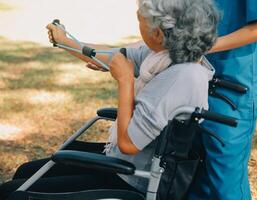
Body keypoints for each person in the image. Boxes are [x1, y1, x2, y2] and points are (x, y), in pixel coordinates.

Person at [0, 0, 219, 199]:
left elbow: (127, 144)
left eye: (140, 21)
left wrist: (125, 81)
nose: (139, 26)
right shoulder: (169, 56)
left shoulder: (179, 79)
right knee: (25, 173)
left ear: (159, 34)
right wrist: (64, 41)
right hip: (127, 166)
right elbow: (113, 57)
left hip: (134, 179)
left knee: (13, 194)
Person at [188, 1, 257, 200]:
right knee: (192, 180)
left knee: (225, 188)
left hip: (232, 95)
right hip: (195, 84)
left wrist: (206, 46)